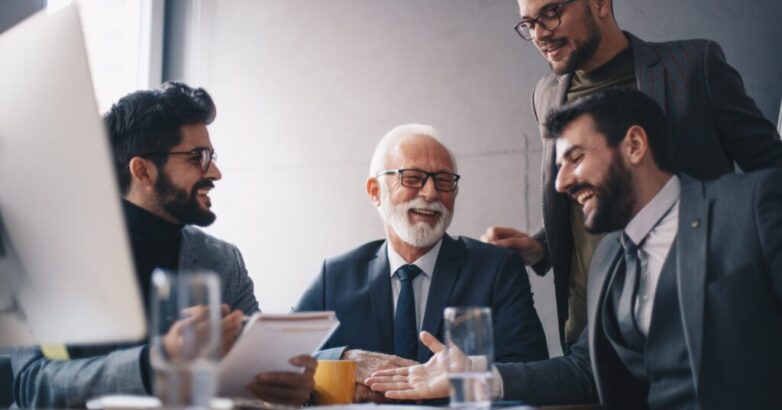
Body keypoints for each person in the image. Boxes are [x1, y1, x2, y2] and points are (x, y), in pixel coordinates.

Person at [367, 88, 782, 409]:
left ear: (634, 145)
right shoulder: (609, 259)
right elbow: (584, 371)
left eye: (575, 158)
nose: (561, 183)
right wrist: (474, 376)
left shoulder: (753, 205)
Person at [483, 0, 782, 348]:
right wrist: (541, 247)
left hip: (697, 325)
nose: (539, 34)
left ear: (600, 4)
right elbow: (588, 192)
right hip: (590, 330)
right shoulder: (545, 94)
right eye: (529, 23)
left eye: (550, 14)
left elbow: (771, 173)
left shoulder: (693, 65)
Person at [11, 82, 315, 408]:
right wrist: (156, 363)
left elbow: (257, 370)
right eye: (197, 157)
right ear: (143, 170)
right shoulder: (49, 258)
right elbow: (34, 385)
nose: (215, 172)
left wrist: (288, 389)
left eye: (211, 156)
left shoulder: (223, 260)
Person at [297, 124, 549, 402]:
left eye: (443, 180)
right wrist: (347, 359)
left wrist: (464, 377)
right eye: (413, 178)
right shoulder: (335, 276)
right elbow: (282, 362)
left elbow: (532, 371)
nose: (430, 193)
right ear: (375, 191)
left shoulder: (496, 269)